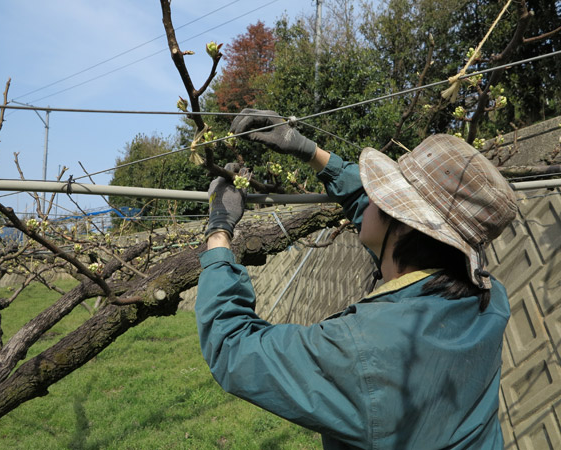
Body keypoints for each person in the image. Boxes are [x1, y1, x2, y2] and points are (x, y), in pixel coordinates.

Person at [195, 109, 518, 449]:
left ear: (406, 224)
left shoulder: (361, 349)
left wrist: (219, 230)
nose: (370, 200)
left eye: (383, 197)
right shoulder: (490, 298)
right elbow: (375, 211)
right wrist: (308, 150)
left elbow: (232, 346)